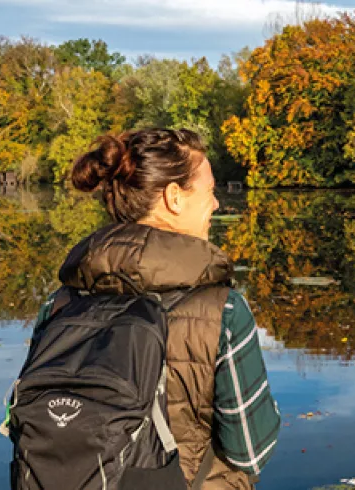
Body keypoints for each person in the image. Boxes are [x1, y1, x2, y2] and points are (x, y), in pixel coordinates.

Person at [63, 128, 280, 488]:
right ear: (174, 197)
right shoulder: (223, 311)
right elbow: (249, 452)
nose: (216, 204)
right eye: (209, 192)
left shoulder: (61, 301)